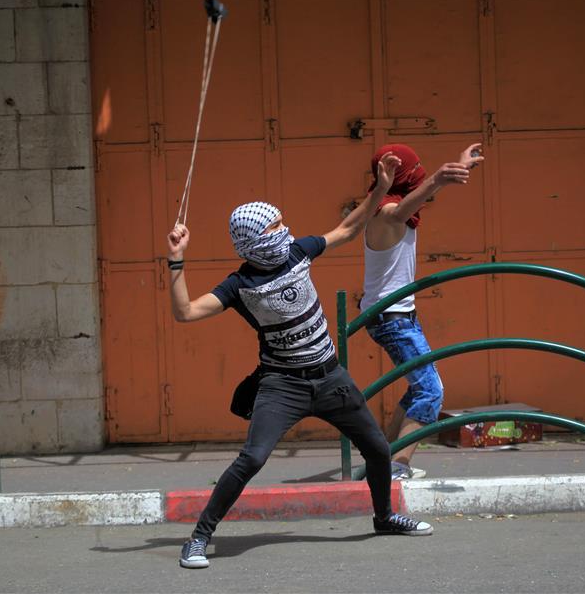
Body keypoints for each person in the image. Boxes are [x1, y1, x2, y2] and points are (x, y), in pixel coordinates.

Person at [166, 151, 471, 569]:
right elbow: (184, 313)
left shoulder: (298, 251)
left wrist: (381, 189)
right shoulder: (239, 284)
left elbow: (347, 228)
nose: (283, 229)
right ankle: (199, 538)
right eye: (274, 226)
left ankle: (384, 518)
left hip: (330, 378)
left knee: (378, 450)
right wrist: (176, 261)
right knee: (252, 459)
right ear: (254, 240)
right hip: (282, 385)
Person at [361, 143, 484, 480]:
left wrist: (458, 170)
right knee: (431, 390)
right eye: (416, 173)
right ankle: (396, 467)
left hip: (396, 315)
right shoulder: (384, 212)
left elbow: (415, 202)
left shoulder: (397, 205)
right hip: (392, 318)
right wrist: (438, 179)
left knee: (420, 386)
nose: (420, 178)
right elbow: (401, 211)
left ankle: (382, 458)